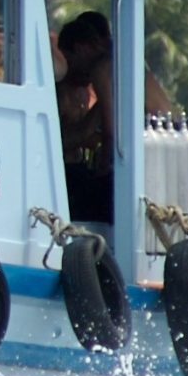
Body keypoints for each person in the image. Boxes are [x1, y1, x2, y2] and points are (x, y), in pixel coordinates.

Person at [56, 12, 115, 222]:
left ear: (80, 49)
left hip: (81, 168)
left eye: (69, 59)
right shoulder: (60, 92)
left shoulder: (88, 87)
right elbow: (60, 141)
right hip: (67, 172)